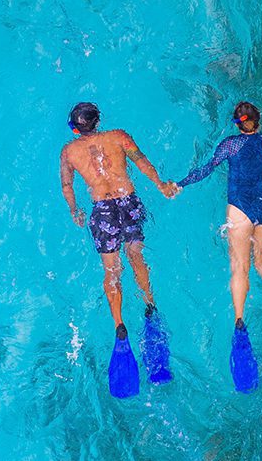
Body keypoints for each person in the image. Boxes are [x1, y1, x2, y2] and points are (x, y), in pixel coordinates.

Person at [175, 101, 262, 391]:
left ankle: (239, 321)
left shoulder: (230, 145)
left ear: (237, 124)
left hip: (240, 208)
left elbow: (205, 169)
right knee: (261, 259)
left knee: (240, 266)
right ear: (258, 120)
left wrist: (180, 183)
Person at [59, 101, 177, 396]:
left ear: (75, 129)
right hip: (129, 202)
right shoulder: (119, 136)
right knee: (136, 255)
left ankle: (119, 324)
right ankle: (150, 305)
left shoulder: (69, 152)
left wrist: (75, 210)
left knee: (112, 270)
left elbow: (67, 186)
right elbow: (141, 161)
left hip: (102, 211)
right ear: (99, 122)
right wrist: (161, 184)